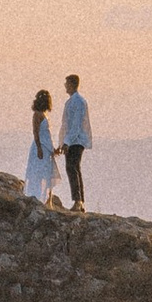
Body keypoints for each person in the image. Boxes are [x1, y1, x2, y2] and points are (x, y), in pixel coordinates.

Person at [59, 74, 91, 212]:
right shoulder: (72, 101)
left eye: (67, 83)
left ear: (72, 84)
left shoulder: (78, 102)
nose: (65, 86)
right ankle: (80, 201)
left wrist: (66, 142)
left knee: (72, 168)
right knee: (74, 168)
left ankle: (78, 201)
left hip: (76, 140)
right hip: (73, 140)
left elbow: (76, 125)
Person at [24, 87, 58, 206]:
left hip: (46, 147)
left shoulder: (44, 114)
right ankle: (37, 196)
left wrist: (52, 149)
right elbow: (36, 132)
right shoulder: (37, 115)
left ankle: (46, 199)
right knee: (37, 174)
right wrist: (39, 147)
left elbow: (47, 134)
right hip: (40, 148)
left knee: (46, 173)